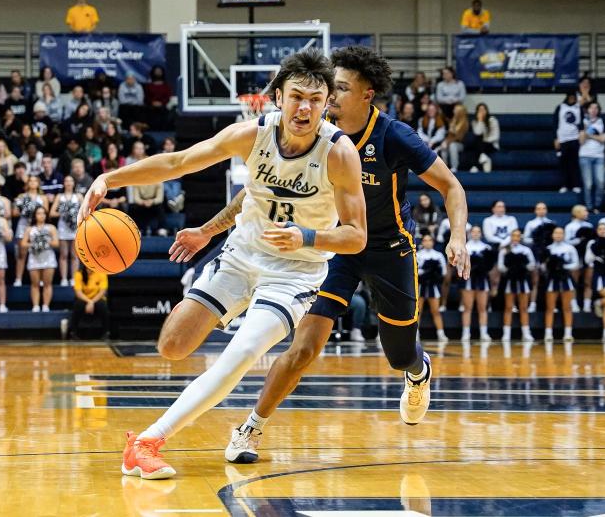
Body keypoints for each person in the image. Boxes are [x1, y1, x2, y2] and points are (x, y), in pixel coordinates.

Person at [159, 46, 468, 467]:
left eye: (340, 88)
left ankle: (417, 370)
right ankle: (249, 428)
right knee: (303, 348)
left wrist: (459, 238)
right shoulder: (308, 133)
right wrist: (209, 230)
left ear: (367, 94)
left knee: (399, 353)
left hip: (388, 247)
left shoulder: (394, 136)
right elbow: (256, 198)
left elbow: (451, 186)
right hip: (327, 244)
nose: (329, 96)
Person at [79, 49, 370, 480]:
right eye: (296, 96)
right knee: (172, 346)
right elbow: (179, 162)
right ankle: (215, 305)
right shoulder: (252, 135)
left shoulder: (338, 153)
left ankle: (146, 442)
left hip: (294, 273)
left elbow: (356, 236)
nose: (304, 107)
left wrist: (306, 236)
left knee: (242, 353)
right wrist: (109, 179)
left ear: (327, 102)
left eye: (315, 98)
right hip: (241, 256)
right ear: (277, 97)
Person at [498, 228, 536, 342]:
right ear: (510, 237)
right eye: (513, 236)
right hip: (510, 280)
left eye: (518, 236)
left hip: (522, 280)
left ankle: (526, 333)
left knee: (523, 307)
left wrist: (522, 268)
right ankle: (506, 334)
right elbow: (500, 267)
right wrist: (511, 269)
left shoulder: (526, 250)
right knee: (509, 307)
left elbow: (532, 264)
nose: (515, 238)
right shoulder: (504, 251)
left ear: (521, 237)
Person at [542, 226, 579, 343]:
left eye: (560, 233)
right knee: (550, 307)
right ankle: (548, 334)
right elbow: (542, 266)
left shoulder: (570, 248)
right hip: (552, 279)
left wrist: (563, 267)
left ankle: (568, 333)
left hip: (565, 278)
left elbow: (576, 264)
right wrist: (551, 266)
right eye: (556, 233)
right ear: (552, 235)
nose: (558, 235)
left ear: (564, 235)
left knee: (567, 307)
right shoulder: (548, 249)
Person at [22, 205, 59, 312]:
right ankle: (36, 306)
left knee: (47, 283)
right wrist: (34, 244)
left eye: (43, 213)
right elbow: (23, 243)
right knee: (35, 284)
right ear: (35, 215)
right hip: (34, 257)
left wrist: (45, 242)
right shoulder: (30, 229)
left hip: (48, 257)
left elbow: (56, 243)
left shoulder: (51, 227)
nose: (41, 215)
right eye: (38, 213)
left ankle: (46, 305)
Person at [13, 175, 48, 286]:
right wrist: (25, 210)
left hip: (38, 226)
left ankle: (41, 279)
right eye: (30, 181)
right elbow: (14, 213)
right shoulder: (21, 196)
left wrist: (35, 213)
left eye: (35, 181)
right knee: (21, 253)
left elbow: (46, 213)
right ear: (27, 184)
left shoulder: (43, 198)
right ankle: (18, 279)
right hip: (23, 226)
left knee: (40, 250)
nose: (32, 183)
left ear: (38, 184)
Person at [461, 226, 493, 342]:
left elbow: (490, 266)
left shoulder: (486, 248)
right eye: (473, 231)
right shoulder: (465, 247)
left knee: (482, 307)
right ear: (470, 233)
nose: (475, 233)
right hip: (468, 278)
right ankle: (465, 333)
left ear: (481, 234)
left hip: (482, 279)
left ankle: (484, 333)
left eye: (478, 231)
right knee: (467, 308)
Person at [522, 201, 554, 313]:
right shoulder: (531, 224)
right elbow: (525, 239)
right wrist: (537, 240)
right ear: (535, 211)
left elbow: (555, 238)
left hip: (548, 254)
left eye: (543, 208)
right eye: (539, 208)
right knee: (535, 280)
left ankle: (551, 305)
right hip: (535, 253)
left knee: (551, 280)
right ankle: (532, 303)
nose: (541, 210)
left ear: (546, 210)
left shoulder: (551, 223)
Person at [50, 175, 82, 285]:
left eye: (70, 181)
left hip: (75, 227)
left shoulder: (78, 196)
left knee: (74, 255)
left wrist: (74, 215)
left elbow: (84, 211)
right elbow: (52, 213)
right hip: (63, 227)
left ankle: (74, 278)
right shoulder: (60, 196)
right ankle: (64, 278)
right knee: (63, 254)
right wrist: (65, 212)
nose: (68, 183)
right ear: (64, 183)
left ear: (73, 183)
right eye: (66, 181)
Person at [417, 234, 447, 342]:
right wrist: (425, 271)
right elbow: (415, 271)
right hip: (420, 285)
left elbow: (443, 272)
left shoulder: (438, 255)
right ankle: (415, 333)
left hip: (432, 285)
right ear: (422, 242)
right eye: (425, 240)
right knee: (417, 311)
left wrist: (433, 272)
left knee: (436, 310)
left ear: (433, 242)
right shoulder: (418, 254)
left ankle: (441, 333)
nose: (427, 242)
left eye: (430, 240)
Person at [65, 265, 109, 339]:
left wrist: (92, 302)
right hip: (84, 298)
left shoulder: (101, 273)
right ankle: (73, 333)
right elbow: (78, 292)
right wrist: (89, 302)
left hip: (97, 298)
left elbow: (102, 292)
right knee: (78, 305)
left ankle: (106, 332)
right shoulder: (78, 274)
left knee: (103, 306)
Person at [579, 101, 605, 212]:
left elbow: (603, 139)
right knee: (588, 184)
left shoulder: (602, 121)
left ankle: (597, 205)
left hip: (599, 156)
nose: (594, 110)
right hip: (585, 155)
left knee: (600, 182)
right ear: (587, 110)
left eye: (596, 108)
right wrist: (594, 135)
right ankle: (589, 207)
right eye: (591, 108)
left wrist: (588, 135)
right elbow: (581, 141)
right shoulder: (582, 121)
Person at [554, 91, 582, 194]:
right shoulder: (560, 107)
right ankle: (564, 185)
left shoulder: (579, 108)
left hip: (575, 139)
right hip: (562, 140)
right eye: (570, 98)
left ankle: (576, 185)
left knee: (574, 164)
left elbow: (582, 123)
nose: (572, 100)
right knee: (563, 164)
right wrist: (555, 138)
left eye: (573, 98)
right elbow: (555, 123)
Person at [469, 103, 498, 173]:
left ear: (487, 110)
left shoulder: (492, 120)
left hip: (491, 144)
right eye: (480, 110)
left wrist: (485, 140)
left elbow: (496, 136)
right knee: (476, 141)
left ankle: (474, 166)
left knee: (478, 142)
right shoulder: (474, 122)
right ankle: (483, 156)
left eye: (483, 109)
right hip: (480, 145)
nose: (482, 111)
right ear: (477, 112)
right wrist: (480, 120)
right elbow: (477, 133)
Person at [440, 103, 468, 172]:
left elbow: (459, 137)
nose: (453, 111)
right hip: (451, 141)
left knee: (452, 146)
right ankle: (445, 167)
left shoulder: (464, 122)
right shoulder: (453, 120)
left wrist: (447, 142)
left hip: (460, 144)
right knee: (444, 146)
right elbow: (449, 134)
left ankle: (454, 167)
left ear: (460, 112)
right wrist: (445, 142)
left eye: (455, 110)